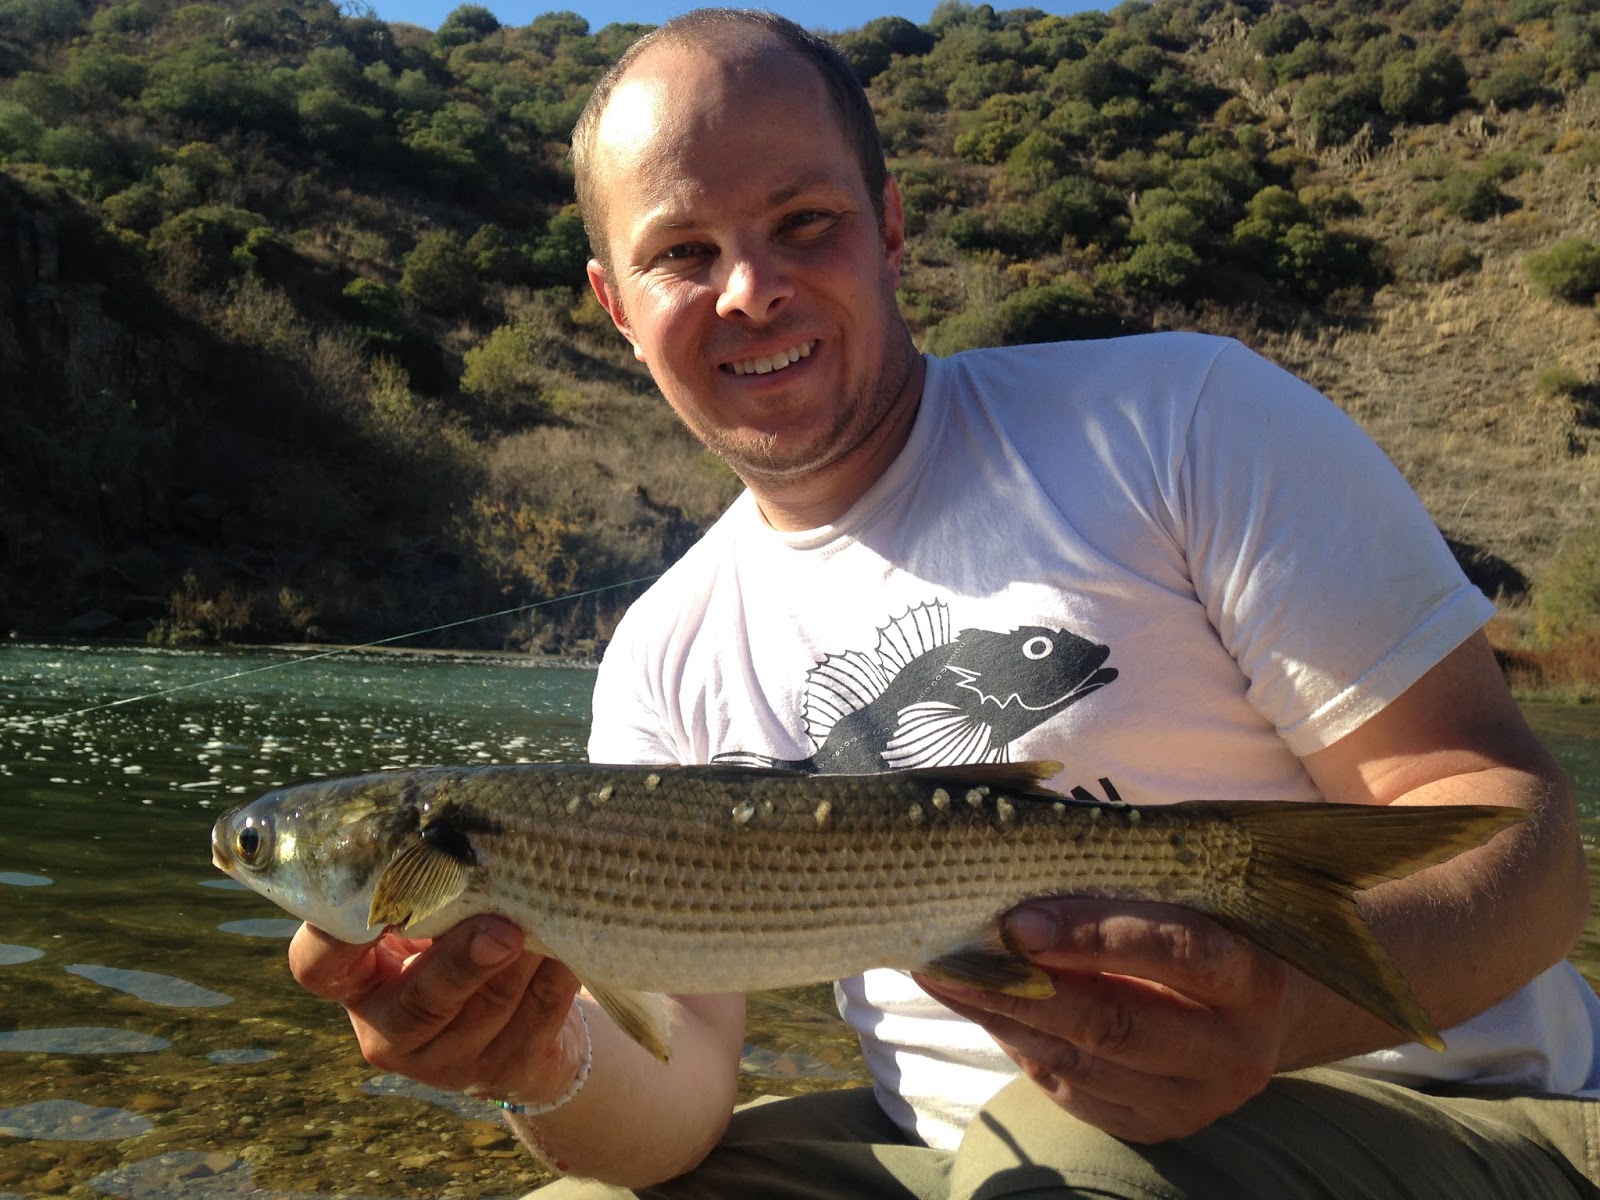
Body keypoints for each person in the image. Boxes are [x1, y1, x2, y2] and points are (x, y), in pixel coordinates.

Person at [288, 9, 1600, 1198]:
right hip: (959, 1158)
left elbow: (1529, 859)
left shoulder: (1180, 421)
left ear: (892, 228)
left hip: (1446, 1108)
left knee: (1075, 1166)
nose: (751, 288)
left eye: (805, 222)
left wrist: (1280, 1008)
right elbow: (673, 1107)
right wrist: (534, 1062)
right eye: (683, 252)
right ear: (615, 307)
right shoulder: (662, 654)